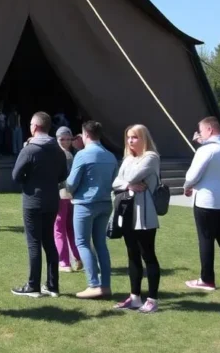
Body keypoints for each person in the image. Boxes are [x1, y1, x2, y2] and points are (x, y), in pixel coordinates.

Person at [10, 112, 67, 298]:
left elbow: (16, 176)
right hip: (52, 199)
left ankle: (33, 285)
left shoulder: (30, 149)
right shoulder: (58, 149)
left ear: (34, 127)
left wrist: (30, 179)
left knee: (34, 242)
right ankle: (52, 285)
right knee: (49, 240)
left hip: (33, 200)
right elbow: (63, 175)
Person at [184, 116, 220, 291]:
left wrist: (187, 186)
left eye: (201, 131)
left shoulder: (206, 150)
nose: (199, 134)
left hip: (206, 200)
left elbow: (192, 176)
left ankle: (207, 279)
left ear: (209, 130)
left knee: (206, 239)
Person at [112, 124, 162, 313]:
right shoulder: (128, 158)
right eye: (128, 137)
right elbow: (115, 182)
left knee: (148, 255)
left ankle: (152, 299)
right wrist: (128, 185)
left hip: (145, 215)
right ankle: (135, 297)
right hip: (128, 212)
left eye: (134, 137)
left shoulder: (151, 157)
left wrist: (126, 181)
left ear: (144, 138)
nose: (130, 141)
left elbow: (133, 175)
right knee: (132, 255)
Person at [66, 120, 118, 299]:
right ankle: (105, 285)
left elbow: (71, 183)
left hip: (85, 204)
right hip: (105, 203)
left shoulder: (82, 155)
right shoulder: (110, 156)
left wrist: (68, 190)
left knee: (82, 243)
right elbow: (114, 180)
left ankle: (93, 284)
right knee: (101, 244)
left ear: (85, 134)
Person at [54, 127, 81, 273]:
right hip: (72, 195)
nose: (65, 142)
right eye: (62, 139)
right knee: (70, 228)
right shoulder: (73, 154)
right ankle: (77, 257)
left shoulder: (62, 155)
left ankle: (64, 261)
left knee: (59, 228)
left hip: (62, 194)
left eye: (67, 139)